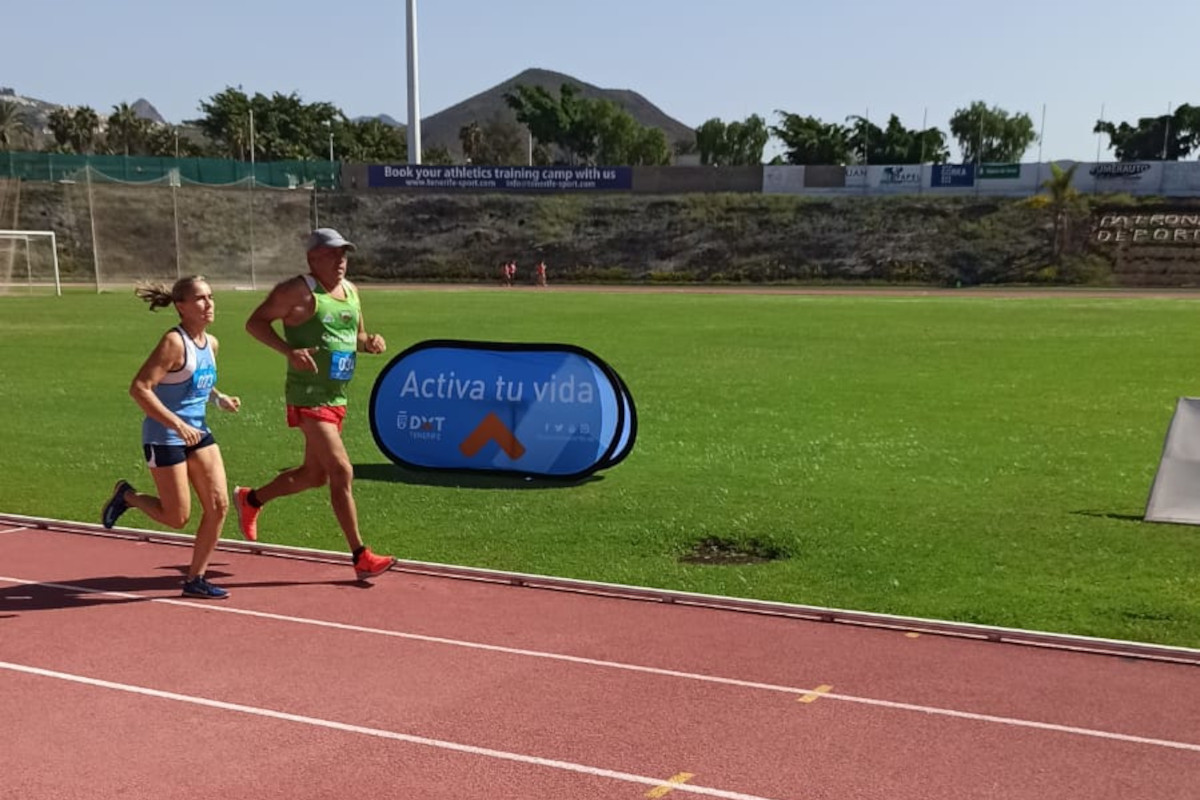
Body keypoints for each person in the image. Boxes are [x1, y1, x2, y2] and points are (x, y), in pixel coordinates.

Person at [232, 228, 396, 581]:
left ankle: (251, 500)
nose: (341, 262)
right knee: (342, 471)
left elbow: (355, 337)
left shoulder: (351, 291)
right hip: (307, 396)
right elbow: (255, 323)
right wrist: (288, 351)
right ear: (313, 259)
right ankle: (360, 555)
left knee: (314, 475)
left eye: (344, 255)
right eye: (333, 255)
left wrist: (371, 343)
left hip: (336, 396)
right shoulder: (296, 291)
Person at [101, 276, 241, 600]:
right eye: (200, 299)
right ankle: (127, 496)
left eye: (210, 297)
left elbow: (195, 382)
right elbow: (139, 388)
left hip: (197, 432)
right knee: (177, 517)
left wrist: (219, 398)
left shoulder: (213, 343)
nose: (209, 304)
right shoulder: (173, 343)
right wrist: (177, 424)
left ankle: (196, 579)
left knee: (219, 505)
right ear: (181, 306)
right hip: (164, 434)